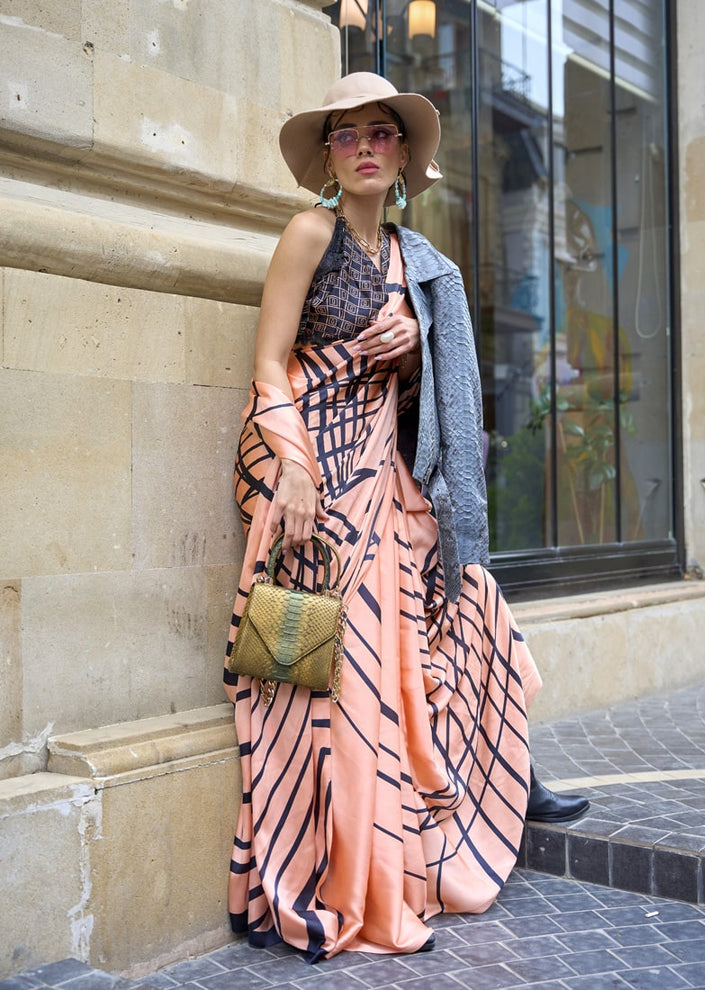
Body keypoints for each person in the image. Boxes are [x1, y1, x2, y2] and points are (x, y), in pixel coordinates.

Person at [223, 71, 588, 962]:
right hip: (312, 470)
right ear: (327, 155)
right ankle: (342, 873)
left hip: (390, 478)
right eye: (346, 136)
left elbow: (441, 401)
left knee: (458, 610)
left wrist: (419, 350)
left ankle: (493, 786)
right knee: (329, 673)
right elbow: (270, 366)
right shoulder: (308, 232)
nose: (365, 149)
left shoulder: (419, 265)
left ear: (404, 154)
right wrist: (295, 470)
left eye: (380, 134)